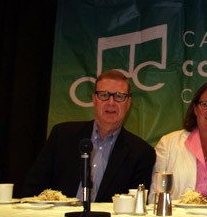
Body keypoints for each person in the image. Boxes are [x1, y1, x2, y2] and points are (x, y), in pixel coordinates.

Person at [22, 69, 156, 202]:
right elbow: (33, 189)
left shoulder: (141, 153)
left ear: (128, 103)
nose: (111, 102)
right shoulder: (62, 135)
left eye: (119, 96)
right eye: (104, 95)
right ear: (94, 99)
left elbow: (135, 207)